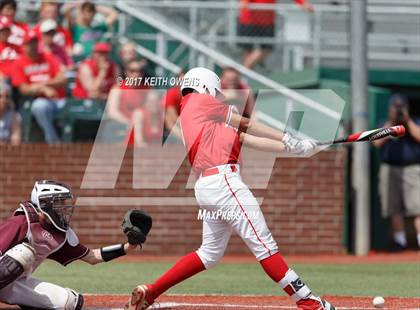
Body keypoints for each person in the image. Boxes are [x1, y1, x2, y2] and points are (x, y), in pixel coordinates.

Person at [124, 67, 335, 310]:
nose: (217, 95)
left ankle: (150, 292)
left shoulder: (200, 116)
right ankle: (308, 302)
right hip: (224, 183)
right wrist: (288, 137)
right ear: (205, 86)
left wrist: (297, 149)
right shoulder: (199, 101)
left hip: (208, 186)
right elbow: (246, 122)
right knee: (264, 246)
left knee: (209, 254)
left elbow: (249, 139)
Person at [0, 180, 142, 309]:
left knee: (70, 302)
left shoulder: (59, 235)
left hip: (15, 284)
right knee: (23, 254)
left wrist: (129, 246)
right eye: (58, 204)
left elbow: (93, 257)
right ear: (44, 204)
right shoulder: (21, 222)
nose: (62, 208)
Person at [373, 94, 420, 251]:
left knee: (418, 208)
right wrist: (392, 123)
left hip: (412, 169)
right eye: (396, 107)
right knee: (394, 209)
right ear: (390, 109)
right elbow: (377, 142)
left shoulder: (414, 122)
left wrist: (406, 120)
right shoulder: (384, 124)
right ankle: (400, 243)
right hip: (390, 169)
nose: (399, 110)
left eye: (401, 107)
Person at [12, 30, 67, 144]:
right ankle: (54, 142)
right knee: (40, 106)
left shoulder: (48, 57)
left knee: (76, 107)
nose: (32, 45)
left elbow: (63, 79)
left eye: (34, 42)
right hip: (37, 102)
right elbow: (24, 89)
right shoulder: (19, 63)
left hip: (59, 100)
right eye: (29, 43)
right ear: (24, 45)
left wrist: (44, 85)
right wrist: (43, 89)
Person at [238, 0, 314, 69]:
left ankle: (242, 72)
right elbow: (244, 3)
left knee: (266, 49)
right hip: (248, 20)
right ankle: (245, 75)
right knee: (247, 50)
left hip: (267, 22)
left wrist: (303, 3)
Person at [161, 71, 184, 141]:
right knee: (167, 117)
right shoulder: (172, 93)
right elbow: (173, 117)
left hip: (180, 124)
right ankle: (185, 141)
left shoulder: (193, 95)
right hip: (167, 125)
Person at [0, 15, 19, 81]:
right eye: (2, 30)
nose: (5, 32)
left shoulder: (16, 47)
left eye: (7, 30)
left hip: (17, 79)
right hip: (3, 80)